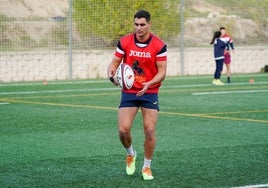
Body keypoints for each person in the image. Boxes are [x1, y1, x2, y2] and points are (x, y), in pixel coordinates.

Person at [107, 10, 167, 180]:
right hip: (129, 91)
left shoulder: (159, 45)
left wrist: (149, 84)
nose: (138, 28)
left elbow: (162, 72)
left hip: (150, 91)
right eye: (136, 24)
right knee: (123, 130)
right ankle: (131, 154)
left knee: (149, 130)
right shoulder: (125, 41)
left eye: (142, 25)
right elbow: (114, 63)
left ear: (149, 24)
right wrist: (112, 76)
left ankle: (146, 167)